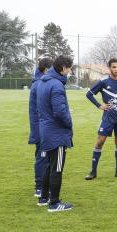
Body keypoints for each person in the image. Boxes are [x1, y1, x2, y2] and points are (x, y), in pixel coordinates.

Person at [36, 55, 74, 212]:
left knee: (49, 166)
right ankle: (54, 203)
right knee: (57, 168)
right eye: (70, 68)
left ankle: (43, 198)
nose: (70, 71)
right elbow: (59, 112)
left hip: (46, 130)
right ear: (63, 68)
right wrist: (69, 122)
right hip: (56, 133)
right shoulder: (57, 85)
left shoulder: (42, 83)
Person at [28, 57, 53, 197]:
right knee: (42, 157)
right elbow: (40, 109)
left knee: (43, 156)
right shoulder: (39, 84)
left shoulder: (40, 82)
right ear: (46, 70)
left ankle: (42, 186)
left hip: (42, 126)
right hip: (41, 127)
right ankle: (39, 187)